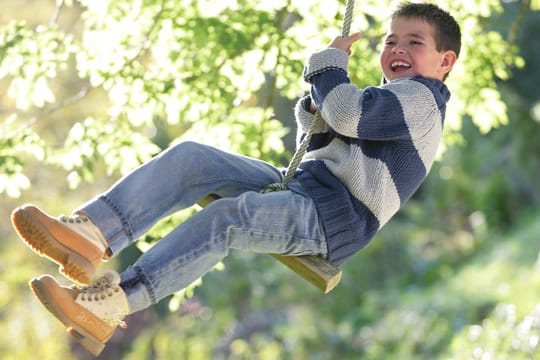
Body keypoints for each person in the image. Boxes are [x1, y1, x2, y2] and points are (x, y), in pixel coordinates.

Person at [11, 2, 461, 356]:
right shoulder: (388, 98)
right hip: (305, 189)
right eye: (391, 39)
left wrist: (327, 64)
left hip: (331, 217)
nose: (398, 48)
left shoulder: (422, 100)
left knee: (229, 218)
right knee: (192, 159)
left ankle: (110, 306)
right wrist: (315, 109)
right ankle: (92, 233)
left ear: (445, 61)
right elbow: (328, 134)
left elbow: (345, 112)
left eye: (414, 41)